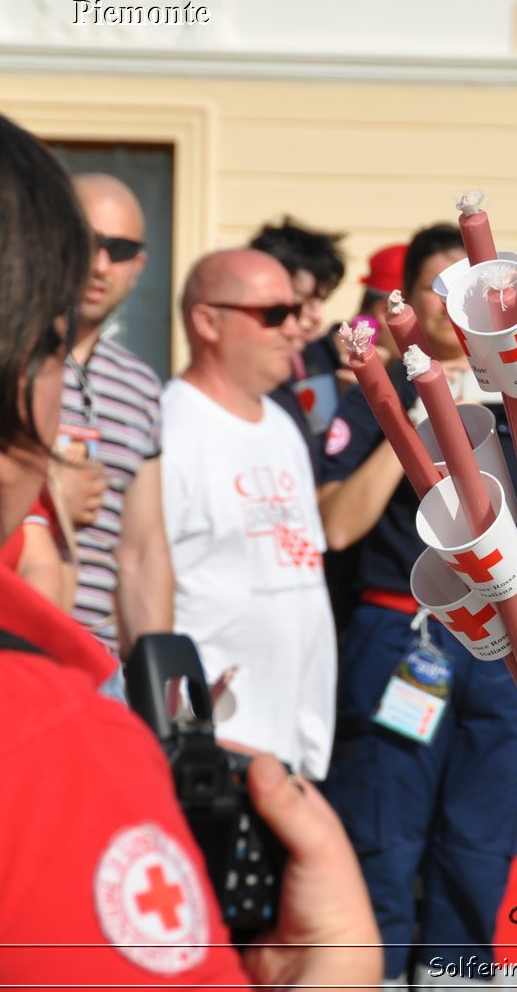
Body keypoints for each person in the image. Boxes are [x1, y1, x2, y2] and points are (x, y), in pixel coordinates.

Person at [0, 71, 379, 989]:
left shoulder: (232, 412)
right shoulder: (26, 751)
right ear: (7, 368)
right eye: (57, 342)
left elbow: (147, 559)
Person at [317, 225, 517, 986]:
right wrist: (415, 413)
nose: (452, 306)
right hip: (404, 632)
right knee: (385, 838)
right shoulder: (372, 388)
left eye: (466, 288)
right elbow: (339, 522)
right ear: (405, 301)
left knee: (481, 845)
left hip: (508, 642)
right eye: (436, 290)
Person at [161, 249, 338, 780]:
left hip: (291, 744)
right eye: (273, 314)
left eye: (298, 310)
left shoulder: (282, 424)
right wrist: (179, 716)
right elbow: (147, 583)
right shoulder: (171, 429)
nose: (296, 329)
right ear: (206, 321)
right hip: (210, 744)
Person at [56, 172, 175, 676]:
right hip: (2, 645)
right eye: (86, 242)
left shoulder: (140, 384)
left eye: (120, 249)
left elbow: (143, 550)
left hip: (95, 669)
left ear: (139, 265)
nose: (101, 264)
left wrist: (161, 687)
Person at [249, 216, 348, 453]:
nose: (316, 316)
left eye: (320, 301)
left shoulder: (311, 359)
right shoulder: (248, 377)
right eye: (302, 301)